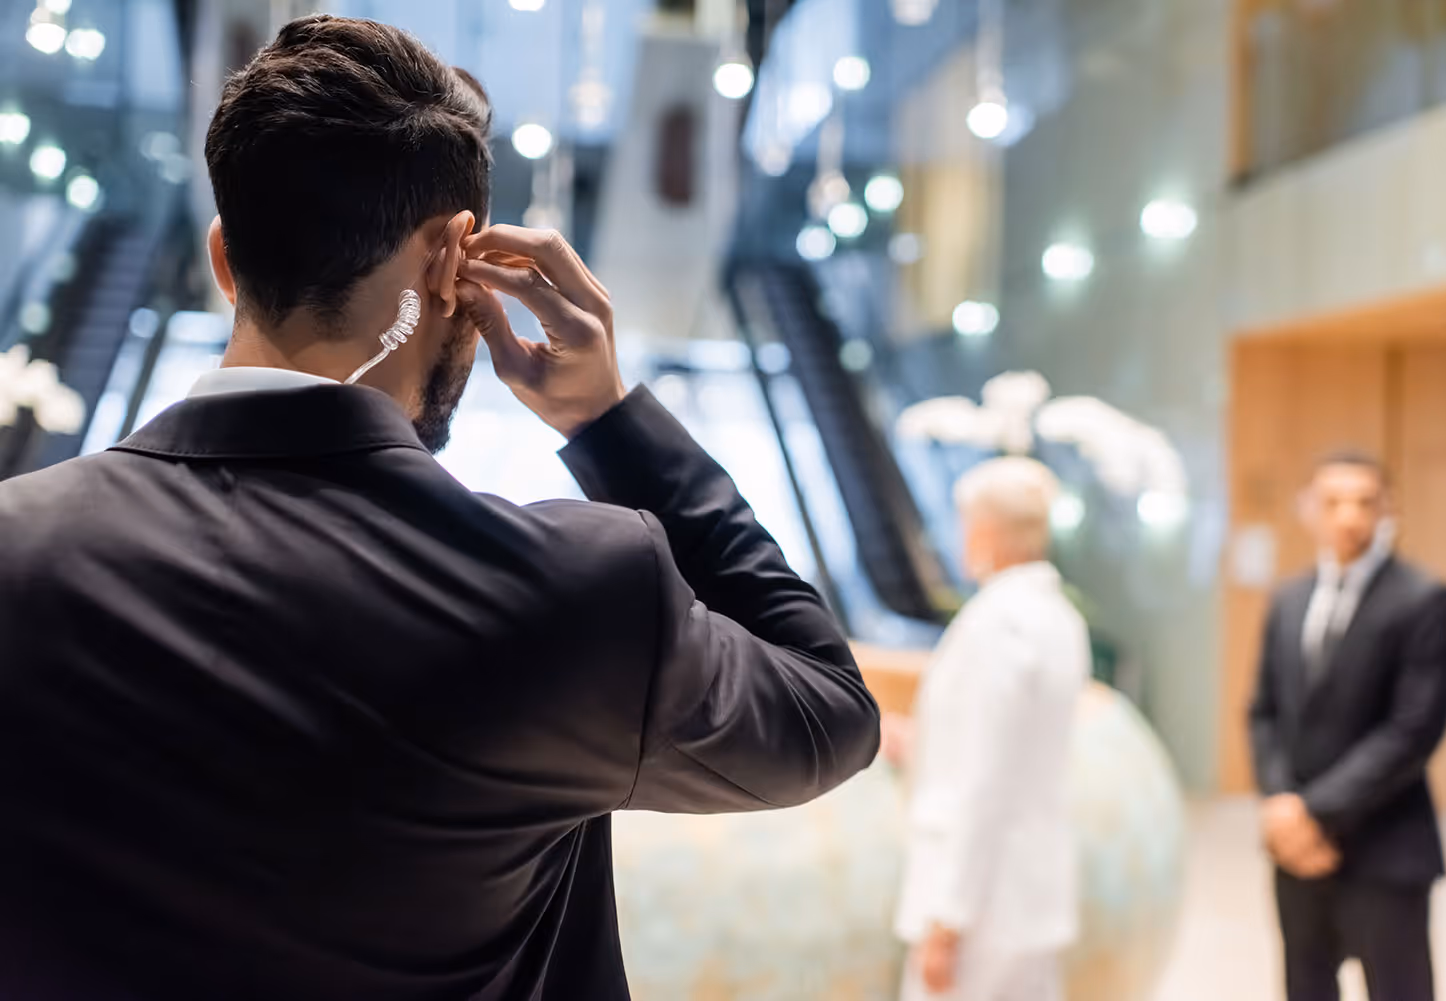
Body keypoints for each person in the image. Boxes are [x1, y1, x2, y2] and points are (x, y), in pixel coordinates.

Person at [0, 16, 880, 1001]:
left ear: (224, 258)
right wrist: (611, 421)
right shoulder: (573, 590)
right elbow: (829, 713)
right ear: (452, 261)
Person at [1249, 451, 1446, 1001]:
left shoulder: (1424, 600)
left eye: (1365, 502)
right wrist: (1280, 804)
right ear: (1308, 510)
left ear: (1389, 509)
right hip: (1297, 852)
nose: (1349, 516)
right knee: (1305, 985)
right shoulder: (1288, 599)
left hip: (1385, 845)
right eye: (1333, 502)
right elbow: (1264, 711)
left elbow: (1412, 731)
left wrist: (1313, 812)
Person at [887, 457, 1089, 1001]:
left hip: (982, 906)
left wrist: (948, 920)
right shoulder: (1058, 618)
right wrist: (921, 743)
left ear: (986, 531)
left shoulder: (996, 626)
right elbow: (1011, 749)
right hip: (1027, 895)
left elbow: (986, 782)